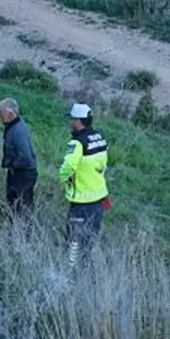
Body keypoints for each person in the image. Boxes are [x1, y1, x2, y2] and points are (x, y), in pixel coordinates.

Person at [59, 103, 111, 267]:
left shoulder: (77, 143)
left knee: (74, 239)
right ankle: (86, 268)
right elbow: (102, 165)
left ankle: (71, 269)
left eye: (72, 119)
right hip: (98, 199)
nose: (70, 123)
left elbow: (67, 167)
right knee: (90, 239)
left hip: (81, 200)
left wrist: (65, 179)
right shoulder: (100, 138)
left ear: (78, 121)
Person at [0, 98, 38, 214]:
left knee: (21, 208)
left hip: (23, 175)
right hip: (18, 173)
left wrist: (10, 164)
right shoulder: (14, 126)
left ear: (10, 114)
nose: (0, 116)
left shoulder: (18, 131)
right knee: (15, 205)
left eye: (1, 113)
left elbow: (26, 158)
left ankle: (22, 230)